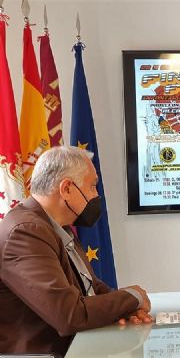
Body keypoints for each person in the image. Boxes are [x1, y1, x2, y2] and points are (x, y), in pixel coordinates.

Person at [0, 146, 151, 355]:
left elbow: (92, 287)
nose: (96, 195)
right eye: (92, 187)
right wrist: (134, 296)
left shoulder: (55, 225)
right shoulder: (26, 232)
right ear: (67, 189)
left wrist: (126, 308)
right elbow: (69, 315)